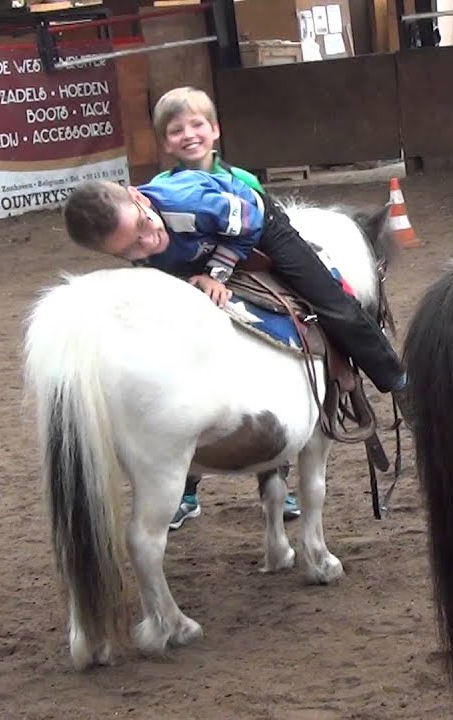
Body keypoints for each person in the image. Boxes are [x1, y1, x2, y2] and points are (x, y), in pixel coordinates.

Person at [61, 172, 410, 523]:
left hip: (258, 226)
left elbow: (246, 221)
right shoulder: (150, 233)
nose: (148, 241)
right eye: (131, 249)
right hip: (198, 244)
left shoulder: (188, 204)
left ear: (140, 198)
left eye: (143, 225)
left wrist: (217, 273)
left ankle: (397, 380)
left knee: (333, 303)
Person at [150, 85, 300, 530]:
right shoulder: (161, 189)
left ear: (215, 130)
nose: (189, 135)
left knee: (276, 358)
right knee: (185, 388)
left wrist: (221, 273)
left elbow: (263, 233)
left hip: (241, 275)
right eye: (176, 130)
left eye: (197, 125)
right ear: (166, 143)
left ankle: (278, 480)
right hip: (187, 284)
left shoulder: (245, 183)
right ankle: (186, 490)